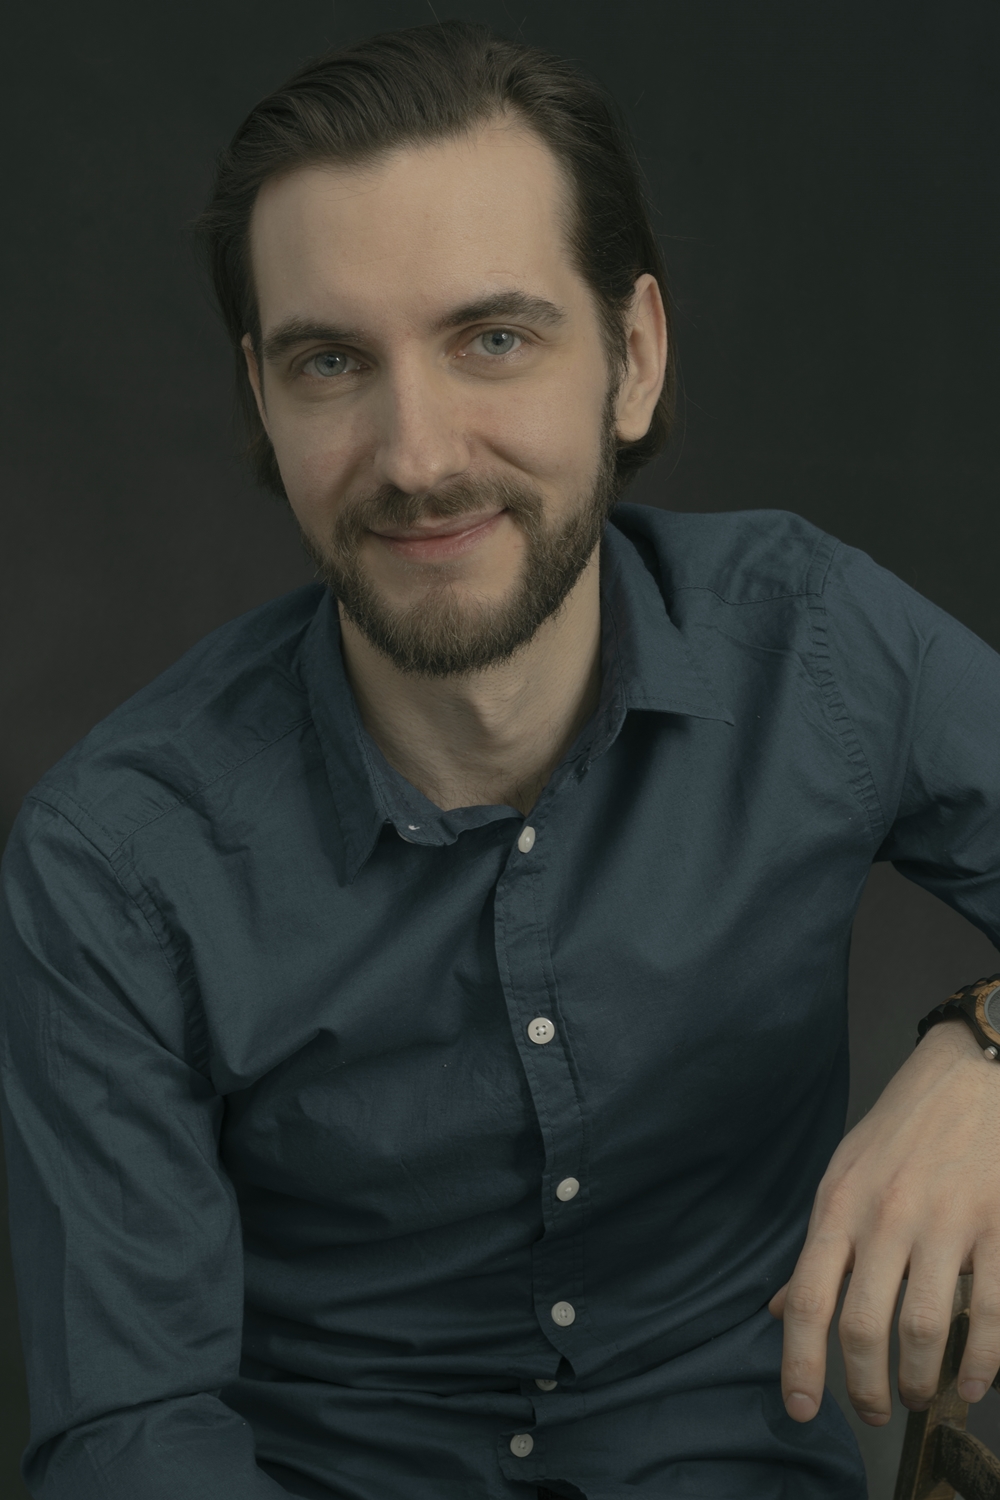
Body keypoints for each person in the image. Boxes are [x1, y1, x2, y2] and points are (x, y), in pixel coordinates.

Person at [2, 19, 999, 1500]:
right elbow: (132, 1439)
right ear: (264, 401)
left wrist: (987, 1050)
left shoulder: (818, 642)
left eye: (493, 340)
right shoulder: (114, 856)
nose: (417, 456)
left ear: (633, 358)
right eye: (332, 361)